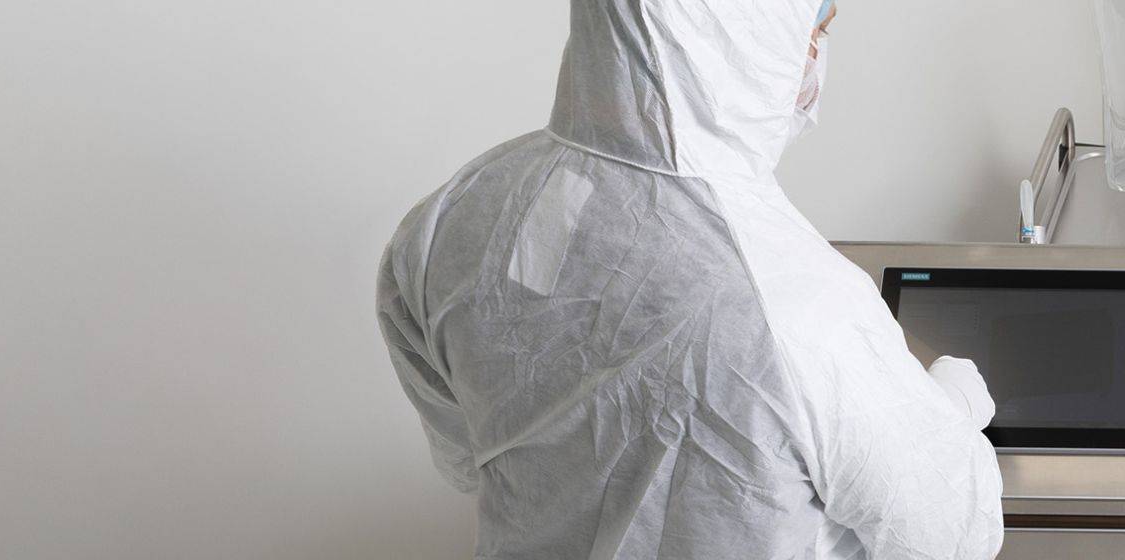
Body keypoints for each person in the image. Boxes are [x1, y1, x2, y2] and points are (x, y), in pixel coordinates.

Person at [373, 0, 1004, 557]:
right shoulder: (795, 299)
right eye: (814, 28)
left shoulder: (448, 221)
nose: (815, 55)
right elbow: (950, 537)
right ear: (747, 26)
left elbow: (465, 461)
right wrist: (949, 409)